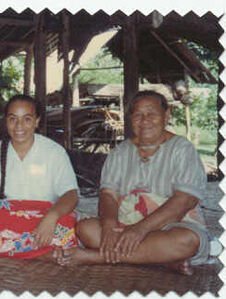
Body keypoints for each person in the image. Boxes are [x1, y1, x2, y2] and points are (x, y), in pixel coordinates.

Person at [55, 90, 210, 275]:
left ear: (166, 115)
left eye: (151, 114)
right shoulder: (120, 152)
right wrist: (110, 225)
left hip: (171, 225)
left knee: (186, 241)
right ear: (130, 119)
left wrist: (140, 230)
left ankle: (96, 257)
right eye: (138, 115)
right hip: (125, 225)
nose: (144, 121)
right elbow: (108, 194)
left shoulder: (182, 149)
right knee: (86, 229)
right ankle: (161, 261)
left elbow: (184, 200)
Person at [0, 95, 80, 259]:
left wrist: (52, 217)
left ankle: (7, 248)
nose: (19, 126)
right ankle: (41, 253)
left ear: (37, 121)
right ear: (6, 121)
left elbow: (71, 194)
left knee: (67, 221)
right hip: (6, 220)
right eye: (13, 119)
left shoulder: (54, 152)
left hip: (43, 221)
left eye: (27, 119)